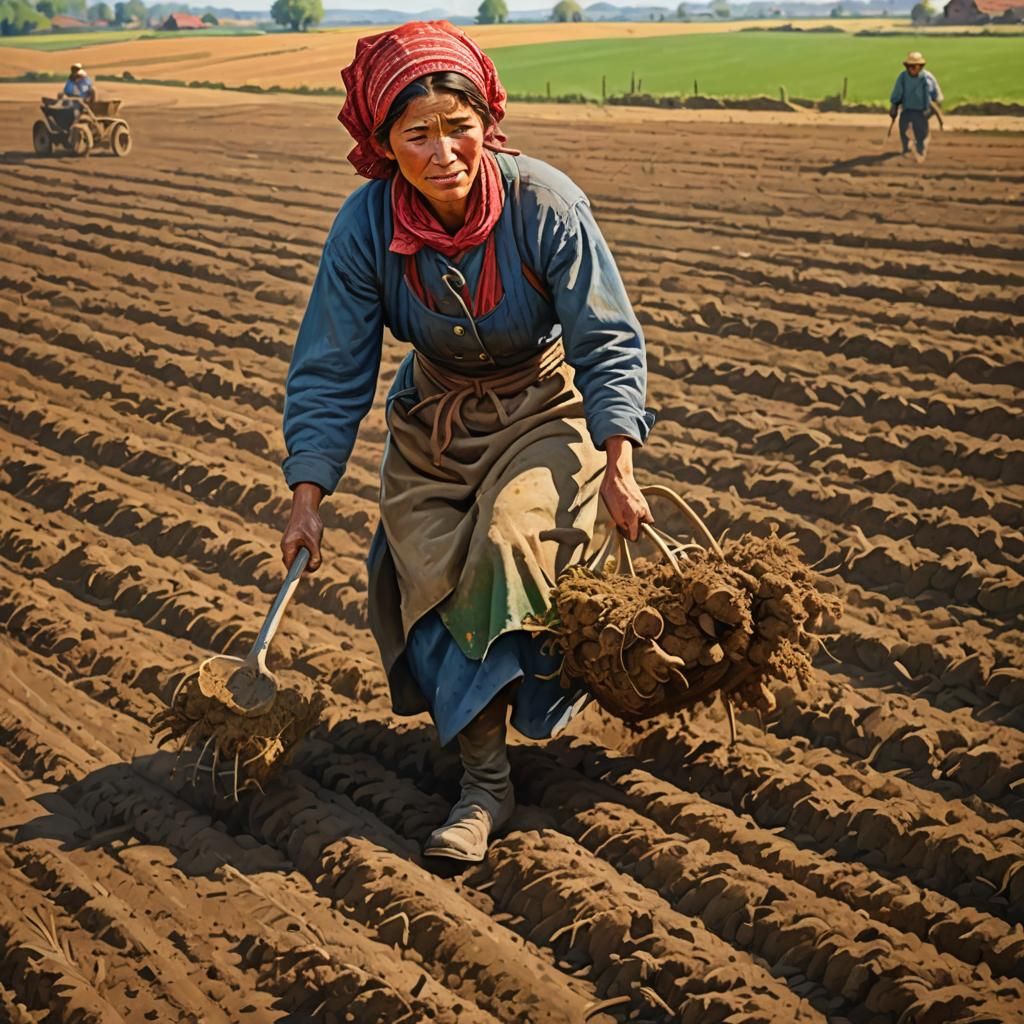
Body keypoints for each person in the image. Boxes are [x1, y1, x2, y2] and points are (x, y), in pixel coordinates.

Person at [280, 21, 654, 863]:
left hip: (542, 412)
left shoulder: (544, 204)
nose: (442, 150)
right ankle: (485, 773)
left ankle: (483, 790)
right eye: (416, 134)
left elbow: (606, 340)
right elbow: (332, 363)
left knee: (507, 544)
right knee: (428, 574)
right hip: (435, 423)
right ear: (381, 143)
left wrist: (620, 464)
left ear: (488, 123)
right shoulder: (366, 227)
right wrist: (309, 495)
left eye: (459, 126)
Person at [889, 50, 942, 163]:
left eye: (915, 66)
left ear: (920, 66)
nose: (912, 68)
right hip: (907, 109)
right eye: (910, 66)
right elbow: (897, 93)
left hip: (922, 112)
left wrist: (933, 109)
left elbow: (937, 97)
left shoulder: (927, 78)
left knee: (921, 134)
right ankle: (906, 151)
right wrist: (894, 106)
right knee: (904, 130)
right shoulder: (902, 78)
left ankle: (920, 151)